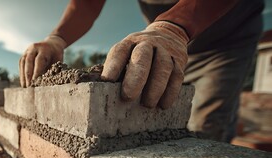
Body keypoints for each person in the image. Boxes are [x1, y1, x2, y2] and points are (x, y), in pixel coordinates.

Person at [19, 0, 264, 142]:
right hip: (162, 43)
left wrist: (175, 27)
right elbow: (87, 3)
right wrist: (57, 37)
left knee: (207, 127)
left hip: (224, 43)